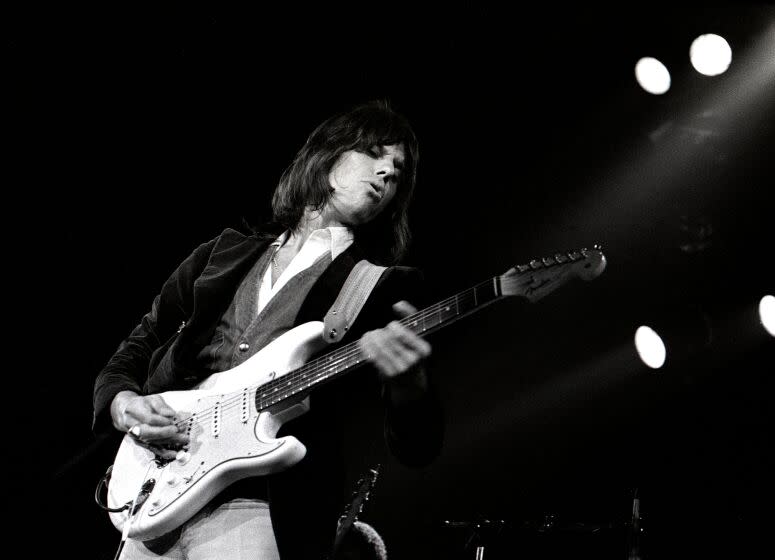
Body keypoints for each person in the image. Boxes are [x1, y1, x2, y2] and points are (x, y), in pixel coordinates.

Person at [92, 100, 444, 559]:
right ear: (328, 153)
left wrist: (410, 382)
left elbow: (417, 446)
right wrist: (123, 403)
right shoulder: (220, 254)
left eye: (397, 172)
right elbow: (139, 344)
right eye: (374, 154)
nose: (386, 175)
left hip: (262, 505)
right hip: (160, 485)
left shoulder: (380, 286)